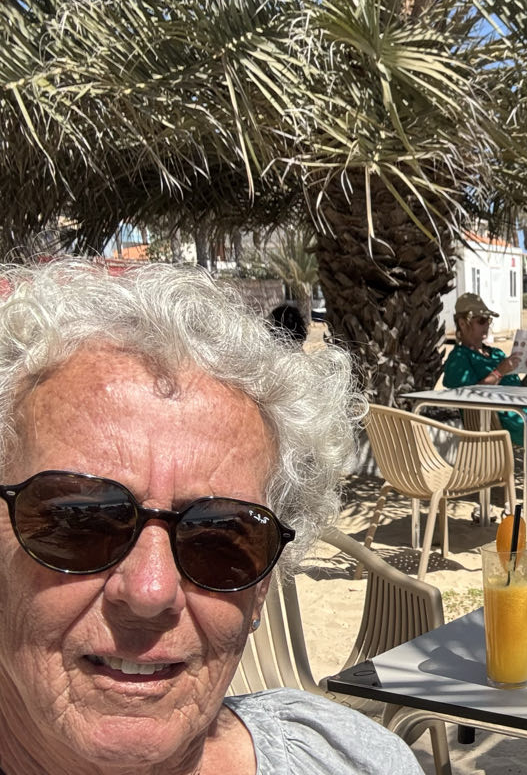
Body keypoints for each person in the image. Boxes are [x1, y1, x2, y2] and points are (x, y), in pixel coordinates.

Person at [0, 260, 424, 775]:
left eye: (220, 537)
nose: (151, 592)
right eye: (80, 521)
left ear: (261, 591)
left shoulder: (355, 761)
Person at [442, 292, 527, 443]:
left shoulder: (496, 353)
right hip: (505, 421)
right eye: (481, 321)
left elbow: (519, 390)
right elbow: (470, 396)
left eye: (488, 320)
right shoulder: (459, 358)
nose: (487, 325)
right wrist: (499, 372)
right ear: (462, 324)